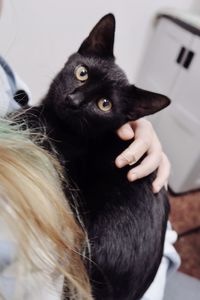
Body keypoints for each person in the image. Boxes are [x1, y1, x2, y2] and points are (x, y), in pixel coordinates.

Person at [0, 1, 180, 299]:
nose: (74, 98)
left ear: (128, 114)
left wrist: (145, 136)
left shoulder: (46, 124)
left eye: (104, 104)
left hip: (105, 268)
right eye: (81, 74)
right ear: (83, 51)